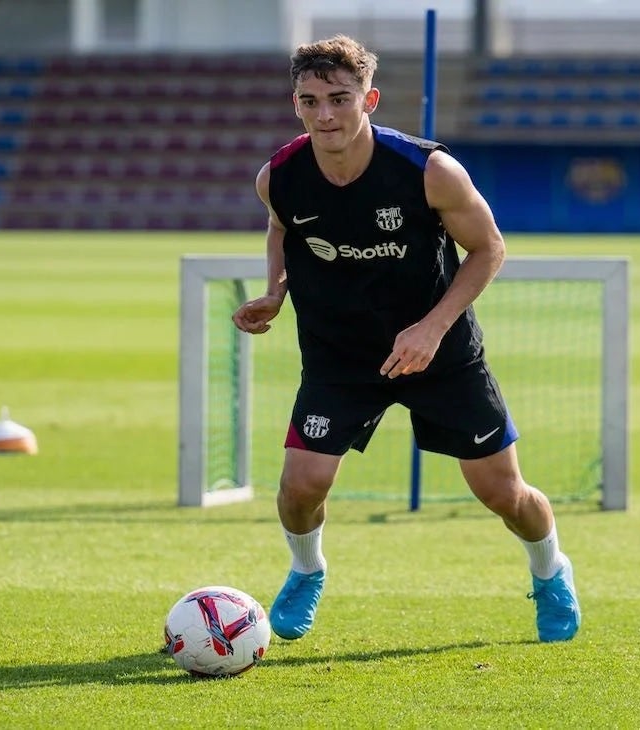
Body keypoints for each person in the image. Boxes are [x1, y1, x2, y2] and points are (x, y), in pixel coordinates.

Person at [231, 35, 580, 643]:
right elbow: (283, 229)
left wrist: (432, 327)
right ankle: (306, 570)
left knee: (503, 493)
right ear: (296, 104)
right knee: (300, 487)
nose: (326, 115)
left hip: (441, 353)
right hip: (338, 355)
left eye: (340, 99)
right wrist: (275, 290)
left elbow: (488, 248)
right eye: (310, 101)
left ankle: (550, 573)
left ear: (370, 99)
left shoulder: (430, 170)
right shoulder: (279, 176)